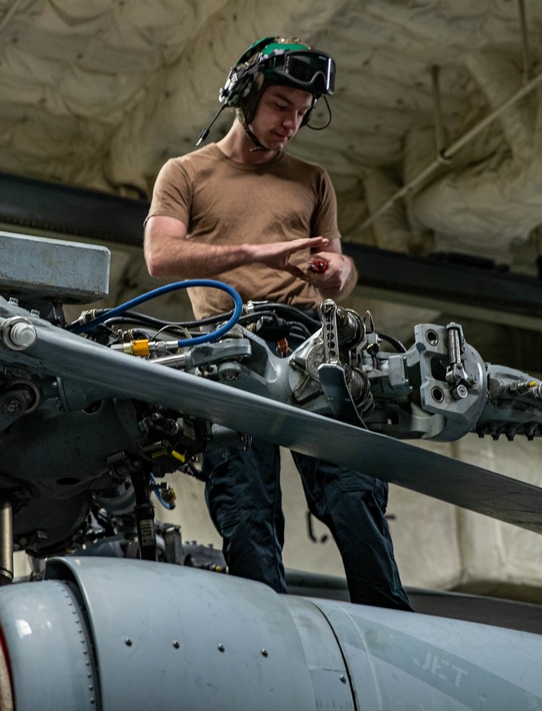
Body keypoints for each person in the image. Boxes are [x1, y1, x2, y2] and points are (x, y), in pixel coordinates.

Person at [143, 36, 411, 610]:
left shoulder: (314, 180)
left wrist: (337, 272)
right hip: (231, 351)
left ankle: (392, 626)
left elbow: (339, 271)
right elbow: (160, 258)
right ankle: (269, 641)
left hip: (313, 342)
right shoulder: (185, 173)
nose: (291, 123)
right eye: (281, 106)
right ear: (245, 95)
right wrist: (251, 254)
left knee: (352, 491)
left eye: (303, 114)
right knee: (247, 506)